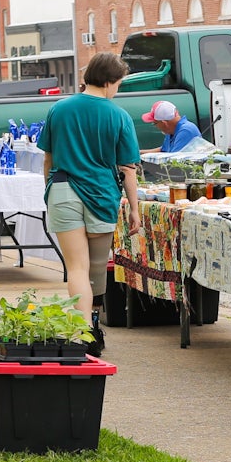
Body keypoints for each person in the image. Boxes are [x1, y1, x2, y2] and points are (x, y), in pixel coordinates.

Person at [40, 52, 142, 347]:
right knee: (96, 268)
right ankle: (92, 327)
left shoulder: (59, 109)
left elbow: (48, 158)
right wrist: (134, 209)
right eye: (119, 84)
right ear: (110, 81)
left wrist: (49, 190)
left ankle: (84, 332)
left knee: (76, 268)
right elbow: (128, 169)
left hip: (63, 189)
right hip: (101, 194)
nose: (117, 90)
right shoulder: (118, 115)